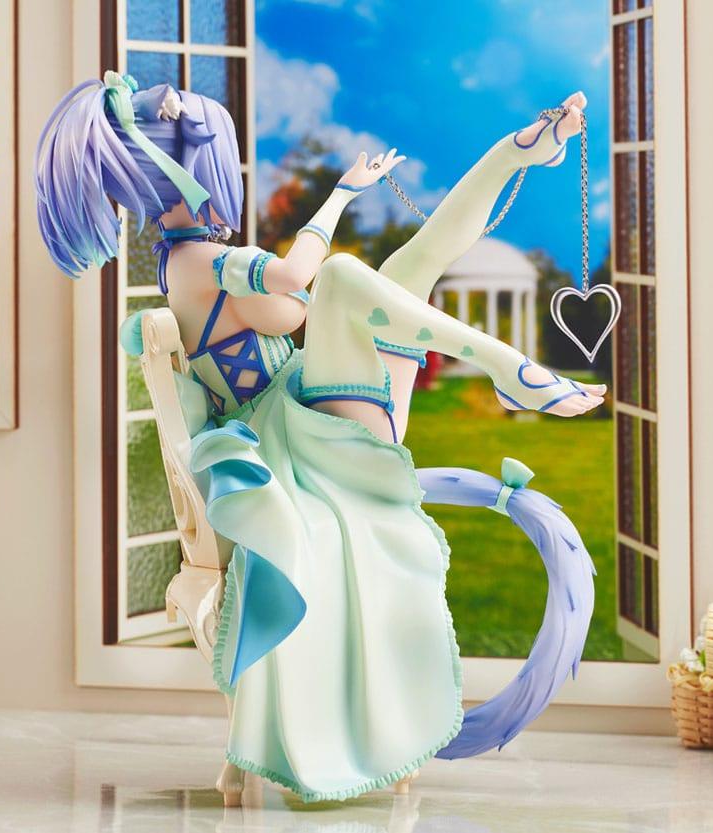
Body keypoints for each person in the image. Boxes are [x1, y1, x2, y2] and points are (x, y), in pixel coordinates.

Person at [36, 71, 600, 802]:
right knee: (342, 277)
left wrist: (339, 206)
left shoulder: (182, 259)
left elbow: (282, 309)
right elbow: (298, 279)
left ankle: (521, 150)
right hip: (302, 442)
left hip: (308, 407)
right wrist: (338, 195)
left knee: (411, 264)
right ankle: (507, 366)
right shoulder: (202, 260)